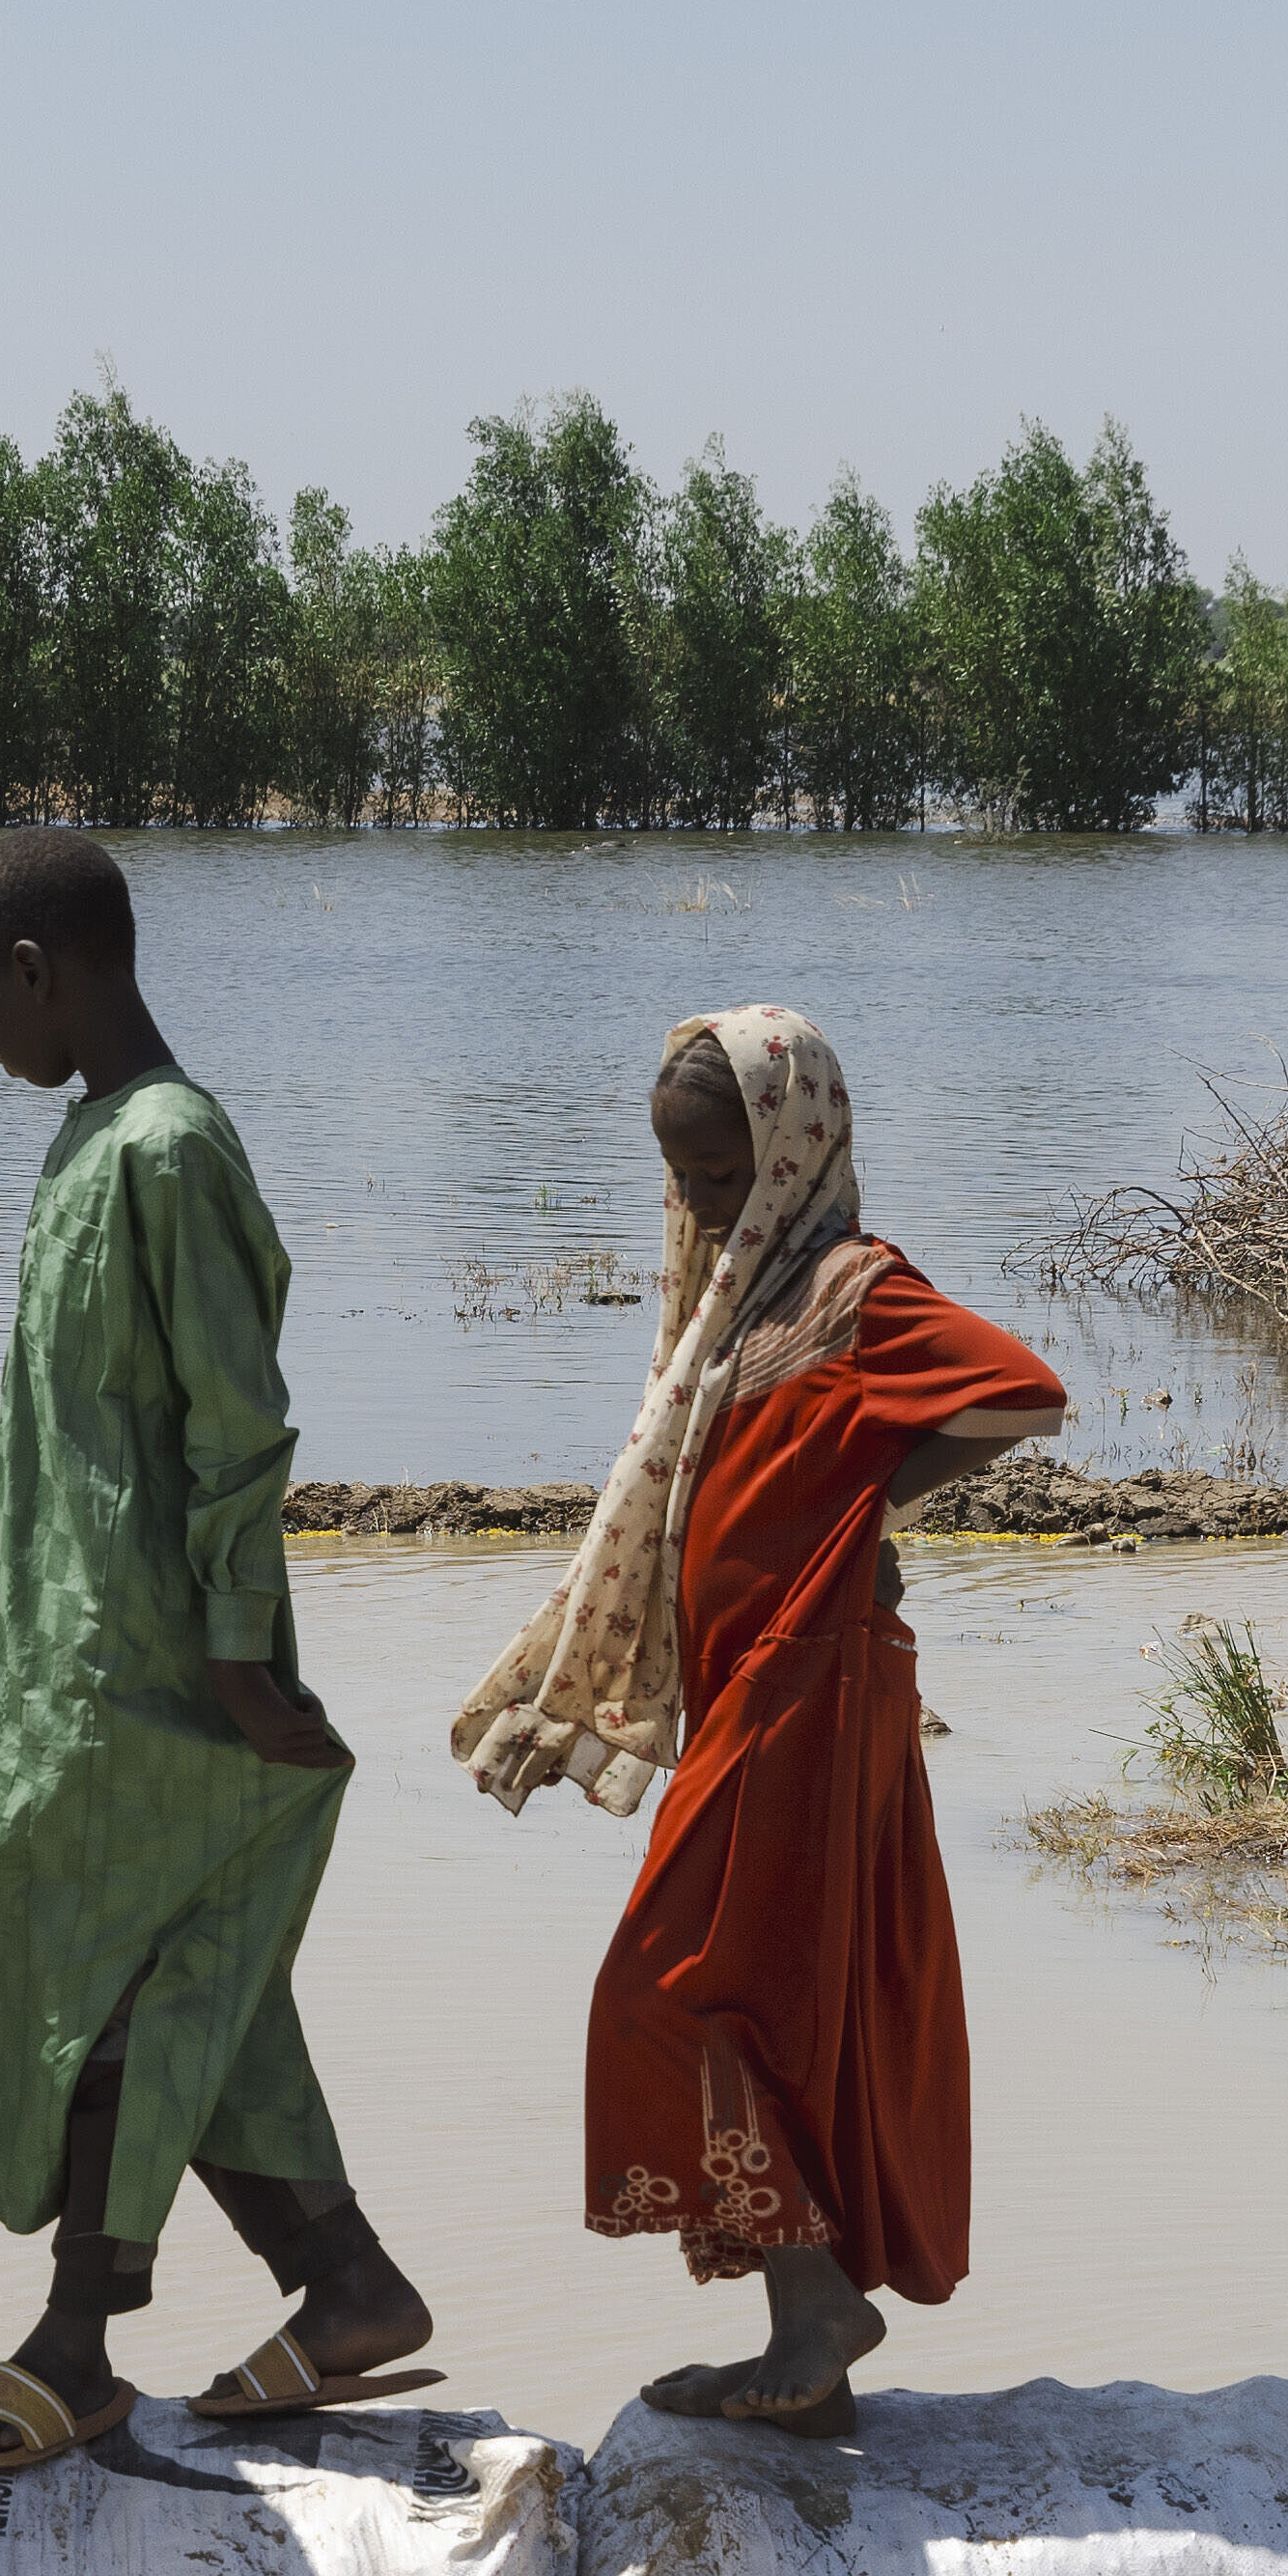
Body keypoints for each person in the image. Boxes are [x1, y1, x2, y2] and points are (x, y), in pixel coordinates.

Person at [0, 828, 432, 2470]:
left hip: (162, 1662)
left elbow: (239, 1427)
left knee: (112, 1976)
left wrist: (239, 1652)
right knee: (196, 1979)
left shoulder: (172, 1151)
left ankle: (80, 2337)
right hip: (63, 1644)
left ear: (41, 972)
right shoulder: (91, 1137)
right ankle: (348, 2283)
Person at [449, 1007, 1070, 2435]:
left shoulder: (855, 1287)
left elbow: (1022, 1396)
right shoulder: (735, 1299)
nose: (705, 1206)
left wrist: (863, 1502)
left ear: (796, 1149)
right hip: (756, 1683)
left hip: (812, 1681)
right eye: (686, 1180)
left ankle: (818, 2304)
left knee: (661, 1985)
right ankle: (807, 2331)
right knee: (765, 2001)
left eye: (726, 1176)